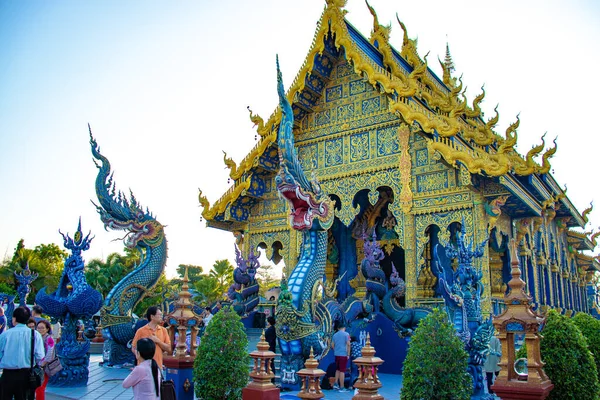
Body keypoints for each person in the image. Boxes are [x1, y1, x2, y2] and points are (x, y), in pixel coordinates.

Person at [0, 306, 45, 400]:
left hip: (8, 375)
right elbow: (40, 356)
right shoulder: (35, 335)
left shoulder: (5, 335)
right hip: (27, 375)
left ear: (14, 318)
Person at [35, 320, 55, 400]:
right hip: (37, 366)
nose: (40, 330)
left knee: (40, 387)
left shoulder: (49, 339)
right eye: (38, 328)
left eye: (42, 328)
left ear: (47, 329)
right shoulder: (37, 338)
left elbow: (49, 355)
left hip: (44, 367)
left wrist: (42, 365)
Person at [331, 323, 350, 392]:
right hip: (343, 355)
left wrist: (336, 350)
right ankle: (342, 387)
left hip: (337, 355)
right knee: (342, 371)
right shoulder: (346, 334)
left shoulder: (334, 335)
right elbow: (348, 344)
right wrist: (348, 354)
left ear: (338, 328)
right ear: (344, 328)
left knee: (338, 369)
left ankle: (336, 385)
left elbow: (332, 345)